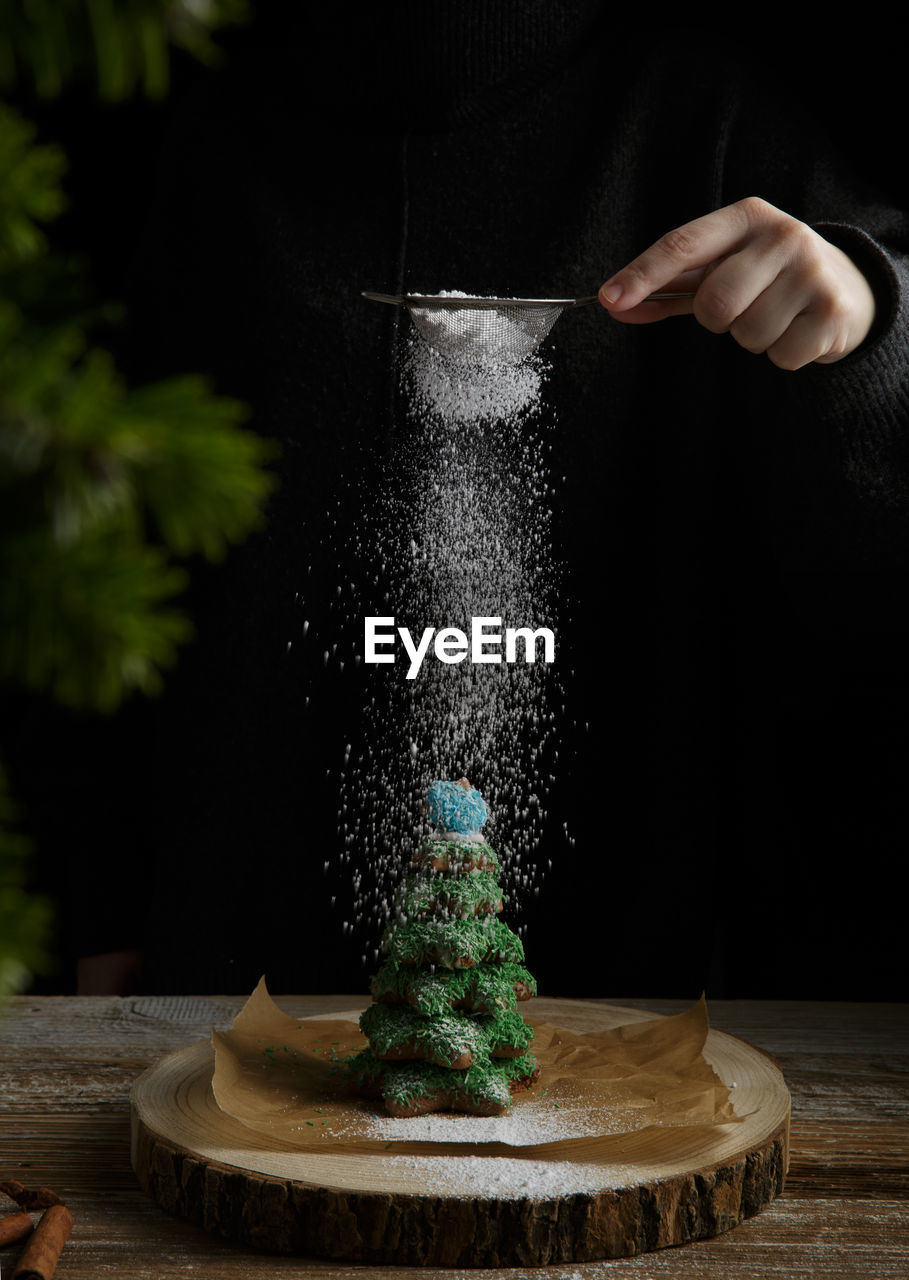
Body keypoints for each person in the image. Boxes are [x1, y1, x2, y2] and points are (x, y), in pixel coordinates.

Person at [57, 3, 909, 1000]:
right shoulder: (187, 120)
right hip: (224, 986)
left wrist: (868, 328)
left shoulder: (716, 123)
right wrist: (97, 896)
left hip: (628, 1002)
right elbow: (75, 543)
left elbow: (862, 580)